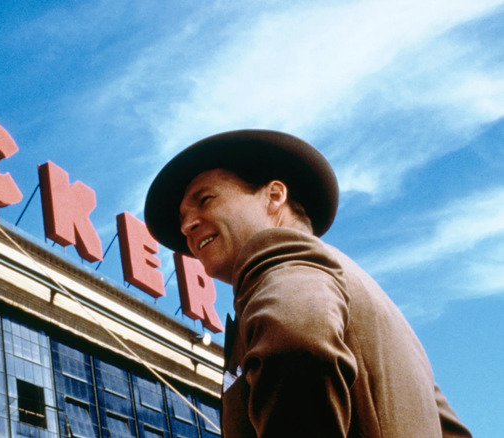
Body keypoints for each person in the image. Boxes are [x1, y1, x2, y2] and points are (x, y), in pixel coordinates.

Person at [144, 130, 472, 437]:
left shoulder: (281, 256)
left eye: (205, 200)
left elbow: (296, 338)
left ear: (274, 196)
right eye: (183, 219)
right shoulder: (366, 296)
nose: (188, 224)